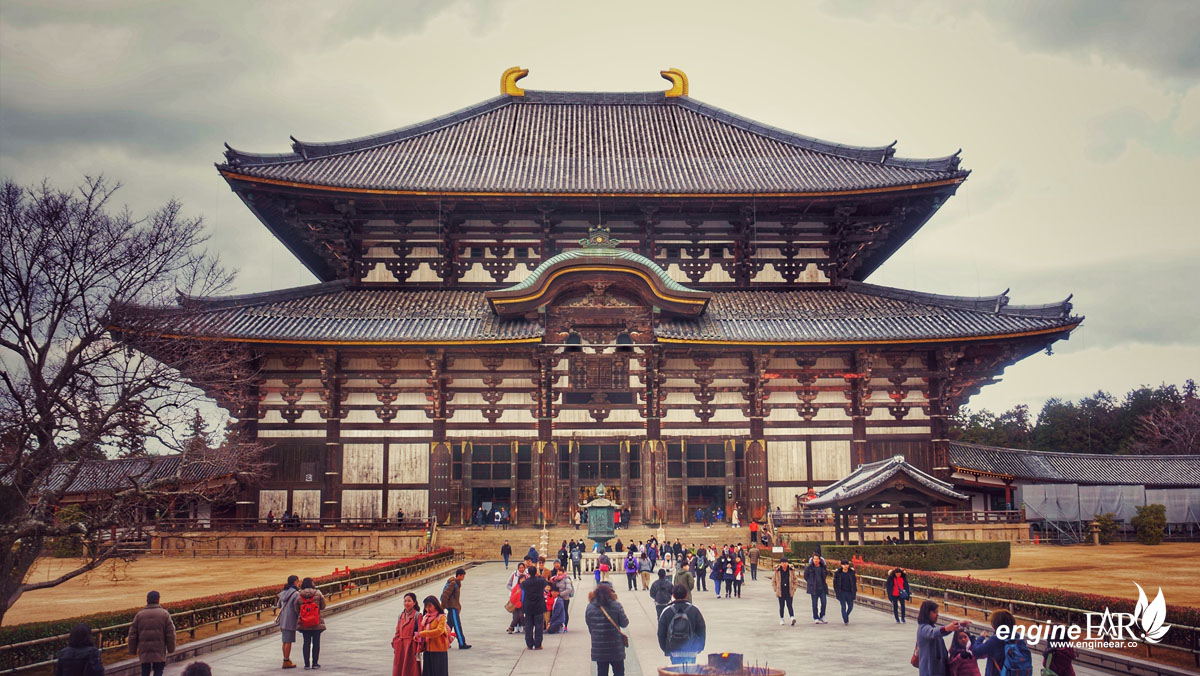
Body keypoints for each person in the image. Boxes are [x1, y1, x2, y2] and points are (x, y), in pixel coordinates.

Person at [585, 582, 629, 676]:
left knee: (601, 672)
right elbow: (624, 623)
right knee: (619, 672)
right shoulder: (616, 605)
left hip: (599, 647)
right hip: (616, 647)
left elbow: (590, 627)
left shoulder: (590, 607)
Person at [128, 591, 176, 676]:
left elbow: (132, 634)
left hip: (144, 650)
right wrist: (171, 648)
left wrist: (132, 650)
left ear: (147, 600)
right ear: (158, 600)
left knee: (145, 671)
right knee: (158, 671)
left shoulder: (139, 615)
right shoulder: (164, 614)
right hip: (159, 649)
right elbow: (170, 633)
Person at [657, 584, 706, 666]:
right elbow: (701, 630)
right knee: (690, 672)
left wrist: (666, 648)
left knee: (676, 672)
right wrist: (700, 647)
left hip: (674, 650)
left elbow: (661, 633)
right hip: (691, 649)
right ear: (687, 595)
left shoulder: (667, 611)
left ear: (673, 595)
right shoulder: (694, 610)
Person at [916, 600, 969, 676]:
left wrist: (958, 624)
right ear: (927, 613)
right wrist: (948, 628)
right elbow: (933, 632)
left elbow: (942, 632)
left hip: (939, 669)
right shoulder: (923, 628)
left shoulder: (932, 627)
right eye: (934, 612)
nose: (937, 615)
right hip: (930, 671)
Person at [294, 577, 326, 669]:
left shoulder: (299, 595)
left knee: (306, 643)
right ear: (312, 583)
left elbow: (296, 609)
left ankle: (306, 664)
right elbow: (323, 606)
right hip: (316, 622)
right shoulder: (318, 593)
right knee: (316, 643)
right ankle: (315, 663)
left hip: (304, 623)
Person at [416, 596, 449, 676]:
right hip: (427, 649)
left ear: (435, 605)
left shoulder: (441, 617)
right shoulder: (425, 618)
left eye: (430, 606)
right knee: (428, 672)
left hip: (439, 649)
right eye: (426, 606)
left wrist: (422, 633)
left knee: (438, 672)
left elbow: (439, 631)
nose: (428, 608)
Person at [439, 568, 471, 649]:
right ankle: (461, 643)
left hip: (454, 607)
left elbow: (455, 598)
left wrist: (458, 606)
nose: (463, 577)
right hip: (452, 608)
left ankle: (443, 642)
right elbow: (445, 595)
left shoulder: (457, 583)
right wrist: (442, 607)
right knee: (457, 626)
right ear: (459, 575)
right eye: (463, 575)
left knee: (449, 626)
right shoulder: (453, 583)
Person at [392, 593, 421, 676]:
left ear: (414, 602)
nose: (406, 603)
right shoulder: (401, 615)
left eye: (409, 601)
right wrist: (395, 643)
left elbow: (419, 632)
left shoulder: (417, 616)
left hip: (411, 647)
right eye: (405, 601)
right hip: (400, 646)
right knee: (399, 669)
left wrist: (418, 647)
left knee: (411, 669)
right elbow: (397, 631)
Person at [520, 569, 549, 649]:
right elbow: (546, 582)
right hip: (538, 606)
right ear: (536, 572)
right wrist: (539, 576)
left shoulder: (525, 583)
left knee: (529, 626)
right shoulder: (541, 581)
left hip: (528, 607)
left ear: (528, 573)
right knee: (539, 626)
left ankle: (529, 644)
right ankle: (538, 644)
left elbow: (521, 586)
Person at [275, 576, 300, 668]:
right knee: (288, 641)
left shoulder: (283, 592)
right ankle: (286, 661)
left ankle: (286, 658)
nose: (299, 583)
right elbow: (297, 608)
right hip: (290, 620)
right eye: (298, 581)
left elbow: (278, 605)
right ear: (295, 582)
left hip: (282, 620)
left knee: (285, 641)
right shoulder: (296, 593)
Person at [771, 558, 799, 625]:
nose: (784, 564)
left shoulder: (791, 570)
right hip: (780, 590)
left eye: (785, 562)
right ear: (780, 563)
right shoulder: (777, 571)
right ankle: (782, 618)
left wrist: (794, 588)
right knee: (781, 606)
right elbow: (773, 580)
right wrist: (775, 588)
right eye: (783, 562)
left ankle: (792, 617)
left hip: (789, 590)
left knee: (789, 605)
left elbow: (795, 580)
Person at [803, 551, 828, 624]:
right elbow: (805, 576)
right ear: (813, 559)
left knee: (824, 602)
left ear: (819, 560)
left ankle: (822, 616)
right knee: (815, 604)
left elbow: (825, 575)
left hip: (822, 588)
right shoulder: (809, 567)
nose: (816, 560)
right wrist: (810, 582)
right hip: (814, 588)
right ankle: (815, 617)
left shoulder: (822, 567)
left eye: (817, 559)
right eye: (814, 559)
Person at [832, 559, 857, 625]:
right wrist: (837, 591)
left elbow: (854, 582)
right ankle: (845, 619)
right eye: (844, 564)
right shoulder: (838, 573)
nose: (846, 566)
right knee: (843, 606)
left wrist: (854, 591)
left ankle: (846, 615)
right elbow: (835, 583)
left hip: (849, 592)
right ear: (841, 565)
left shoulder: (851, 573)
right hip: (842, 592)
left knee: (851, 606)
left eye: (847, 564)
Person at [552, 565, 575, 630]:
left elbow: (569, 589)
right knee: (558, 611)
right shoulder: (556, 579)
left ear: (563, 572)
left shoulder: (566, 579)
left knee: (565, 611)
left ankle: (565, 626)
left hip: (565, 598)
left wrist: (560, 594)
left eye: (560, 571)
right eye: (558, 571)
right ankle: (559, 625)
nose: (559, 572)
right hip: (558, 598)